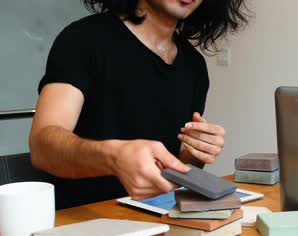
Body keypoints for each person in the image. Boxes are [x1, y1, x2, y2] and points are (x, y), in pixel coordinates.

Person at [29, 0, 248, 206]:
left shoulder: (194, 65)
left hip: (157, 222)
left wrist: (195, 152)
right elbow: (41, 147)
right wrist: (114, 157)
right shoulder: (84, 39)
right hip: (82, 224)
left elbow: (172, 171)